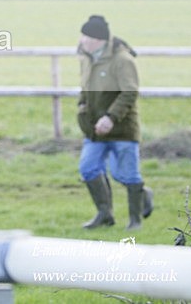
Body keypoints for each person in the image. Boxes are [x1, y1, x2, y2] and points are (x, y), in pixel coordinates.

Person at [76, 15, 154, 230]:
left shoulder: (122, 60)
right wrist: (82, 107)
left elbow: (130, 92)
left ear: (97, 39)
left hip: (121, 129)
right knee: (88, 168)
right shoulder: (86, 58)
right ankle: (105, 215)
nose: (81, 40)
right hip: (93, 130)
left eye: (85, 36)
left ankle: (135, 220)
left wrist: (110, 118)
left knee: (125, 174)